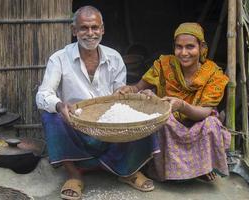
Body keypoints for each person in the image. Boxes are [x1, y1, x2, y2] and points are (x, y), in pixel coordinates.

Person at [36, 6, 159, 200]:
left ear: (103, 29)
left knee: (145, 114)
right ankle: (74, 175)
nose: (90, 33)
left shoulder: (114, 58)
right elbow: (43, 94)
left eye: (95, 27)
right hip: (76, 125)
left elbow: (120, 96)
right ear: (74, 30)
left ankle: (128, 171)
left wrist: (130, 93)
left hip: (109, 129)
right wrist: (60, 106)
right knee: (51, 115)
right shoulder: (59, 59)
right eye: (84, 28)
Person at [116, 22, 231, 182]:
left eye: (190, 47)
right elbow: (138, 87)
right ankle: (165, 171)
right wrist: (130, 90)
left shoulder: (213, 75)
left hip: (196, 123)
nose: (184, 53)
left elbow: (204, 112)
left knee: (212, 123)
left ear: (202, 47)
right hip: (169, 122)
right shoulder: (164, 65)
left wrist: (182, 105)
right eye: (179, 47)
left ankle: (202, 168)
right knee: (161, 119)